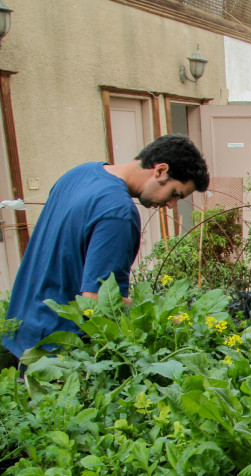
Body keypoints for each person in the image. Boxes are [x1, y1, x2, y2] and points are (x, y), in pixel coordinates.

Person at [1, 134, 209, 362]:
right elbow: (99, 303)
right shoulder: (117, 212)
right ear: (160, 170)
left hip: (23, 329)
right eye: (175, 194)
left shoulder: (79, 174)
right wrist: (168, 316)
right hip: (56, 349)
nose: (170, 205)